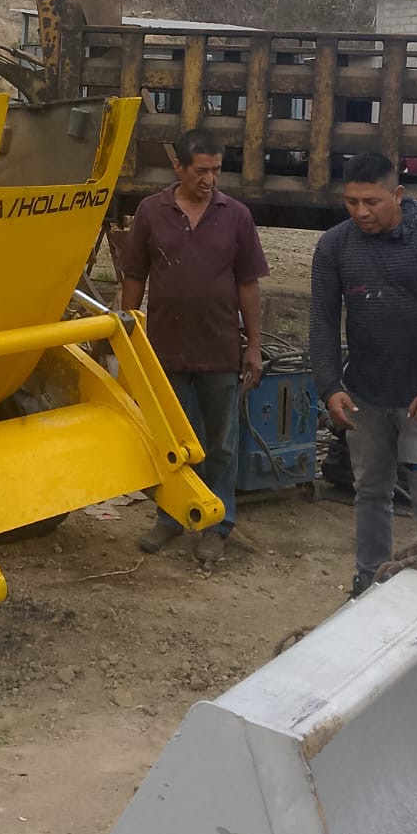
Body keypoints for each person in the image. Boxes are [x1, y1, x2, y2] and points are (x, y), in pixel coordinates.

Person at [310, 151, 417, 598]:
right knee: (370, 493)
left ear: (397, 194)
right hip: (366, 396)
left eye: (372, 202)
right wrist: (330, 386)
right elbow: (322, 321)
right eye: (352, 202)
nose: (361, 212)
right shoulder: (335, 246)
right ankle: (369, 585)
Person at [119, 128, 269, 566]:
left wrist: (253, 346)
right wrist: (127, 335)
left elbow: (248, 285)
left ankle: (216, 525)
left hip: (220, 349)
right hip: (165, 350)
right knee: (171, 442)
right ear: (178, 167)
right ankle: (170, 517)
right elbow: (134, 276)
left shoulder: (235, 215)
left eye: (216, 170)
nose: (210, 179)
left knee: (221, 445)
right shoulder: (151, 211)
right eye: (201, 170)